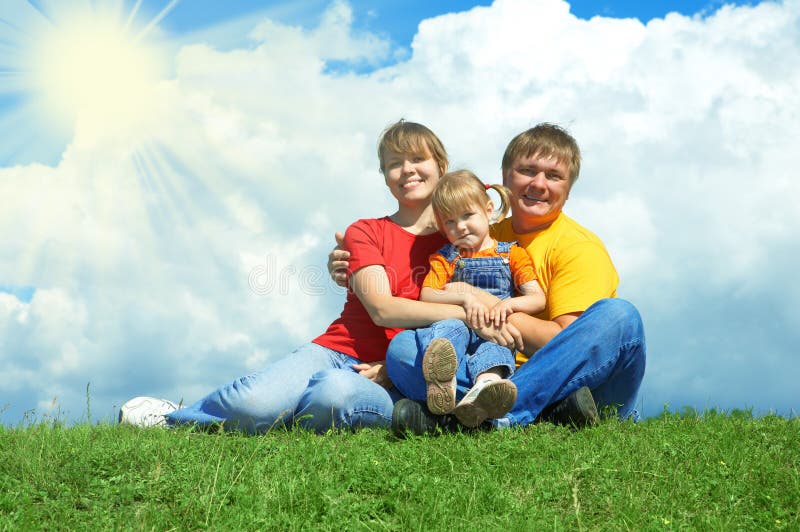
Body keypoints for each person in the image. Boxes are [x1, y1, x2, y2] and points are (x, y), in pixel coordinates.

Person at [119, 119, 477, 434]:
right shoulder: (365, 232)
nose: (407, 170)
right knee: (256, 402)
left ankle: (288, 416)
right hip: (338, 351)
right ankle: (178, 418)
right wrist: (468, 311)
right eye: (394, 164)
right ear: (384, 177)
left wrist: (398, 369)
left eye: (417, 159)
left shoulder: (465, 240)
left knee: (334, 396)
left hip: (403, 371)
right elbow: (382, 310)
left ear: (441, 166)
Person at [330, 123, 646, 435]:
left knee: (620, 317)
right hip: (487, 371)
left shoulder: (577, 247)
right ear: (504, 178)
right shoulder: (479, 234)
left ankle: (497, 414)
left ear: (569, 186)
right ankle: (524, 412)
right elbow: (416, 262)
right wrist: (346, 266)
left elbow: (565, 345)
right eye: (527, 171)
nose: (538, 184)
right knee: (402, 351)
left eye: (553, 176)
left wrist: (485, 306)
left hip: (573, 380)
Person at [412, 169, 545, 427]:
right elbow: (427, 294)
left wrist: (508, 304)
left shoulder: (511, 254)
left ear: (488, 209)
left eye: (467, 215)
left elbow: (537, 298)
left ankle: (485, 392)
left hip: (495, 327)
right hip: (460, 322)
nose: (459, 227)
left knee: (495, 349)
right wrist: (464, 298)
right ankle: (443, 382)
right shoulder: (447, 257)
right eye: (449, 222)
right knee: (448, 330)